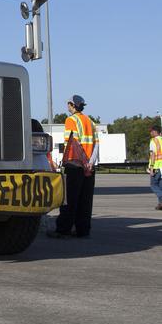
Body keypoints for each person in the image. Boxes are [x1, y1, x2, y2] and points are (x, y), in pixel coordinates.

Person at [48, 94, 98, 239]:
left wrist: (82, 163)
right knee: (85, 200)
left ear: (72, 105)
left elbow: (73, 144)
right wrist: (90, 164)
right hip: (89, 167)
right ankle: (83, 230)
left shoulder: (71, 120)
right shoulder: (90, 121)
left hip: (75, 165)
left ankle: (63, 229)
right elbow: (96, 145)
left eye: (68, 104)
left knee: (69, 199)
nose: (67, 107)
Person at [147, 126, 162, 210]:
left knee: (153, 185)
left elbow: (153, 155)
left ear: (155, 132)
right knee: (160, 186)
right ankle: (160, 204)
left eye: (151, 131)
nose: (150, 133)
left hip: (156, 167)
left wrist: (151, 167)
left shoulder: (153, 141)